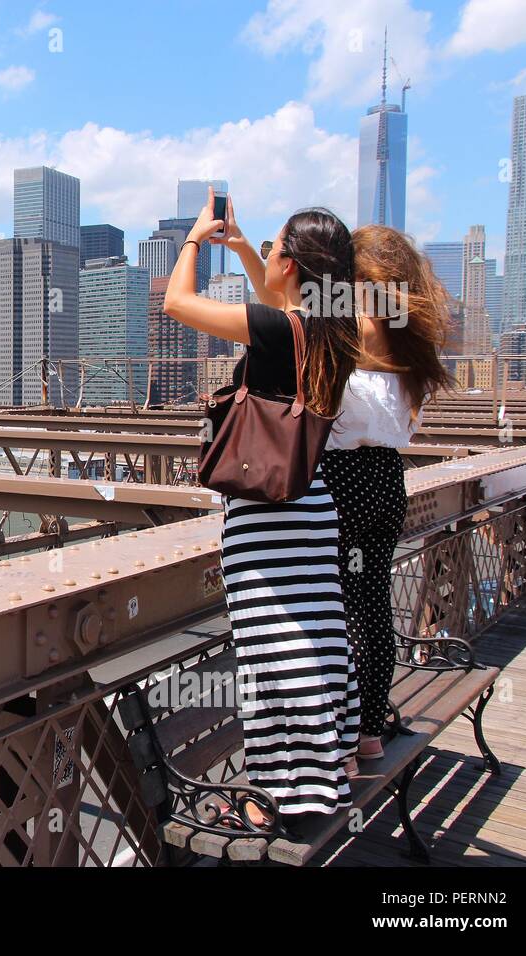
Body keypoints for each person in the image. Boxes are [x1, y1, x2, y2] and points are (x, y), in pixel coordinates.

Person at [163, 188, 360, 825]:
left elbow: (177, 304)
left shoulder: (282, 330)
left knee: (270, 652)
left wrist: (194, 240)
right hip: (312, 505)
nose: (268, 256)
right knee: (314, 638)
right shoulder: (335, 330)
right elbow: (281, 302)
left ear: (293, 267)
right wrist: (247, 246)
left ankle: (278, 798)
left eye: (275, 248)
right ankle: (326, 766)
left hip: (266, 519)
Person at [322, 225, 453, 761]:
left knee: (331, 612)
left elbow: (282, 311)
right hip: (385, 479)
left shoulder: (354, 323)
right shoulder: (405, 336)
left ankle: (337, 736)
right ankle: (369, 731)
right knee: (370, 605)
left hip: (342, 479)